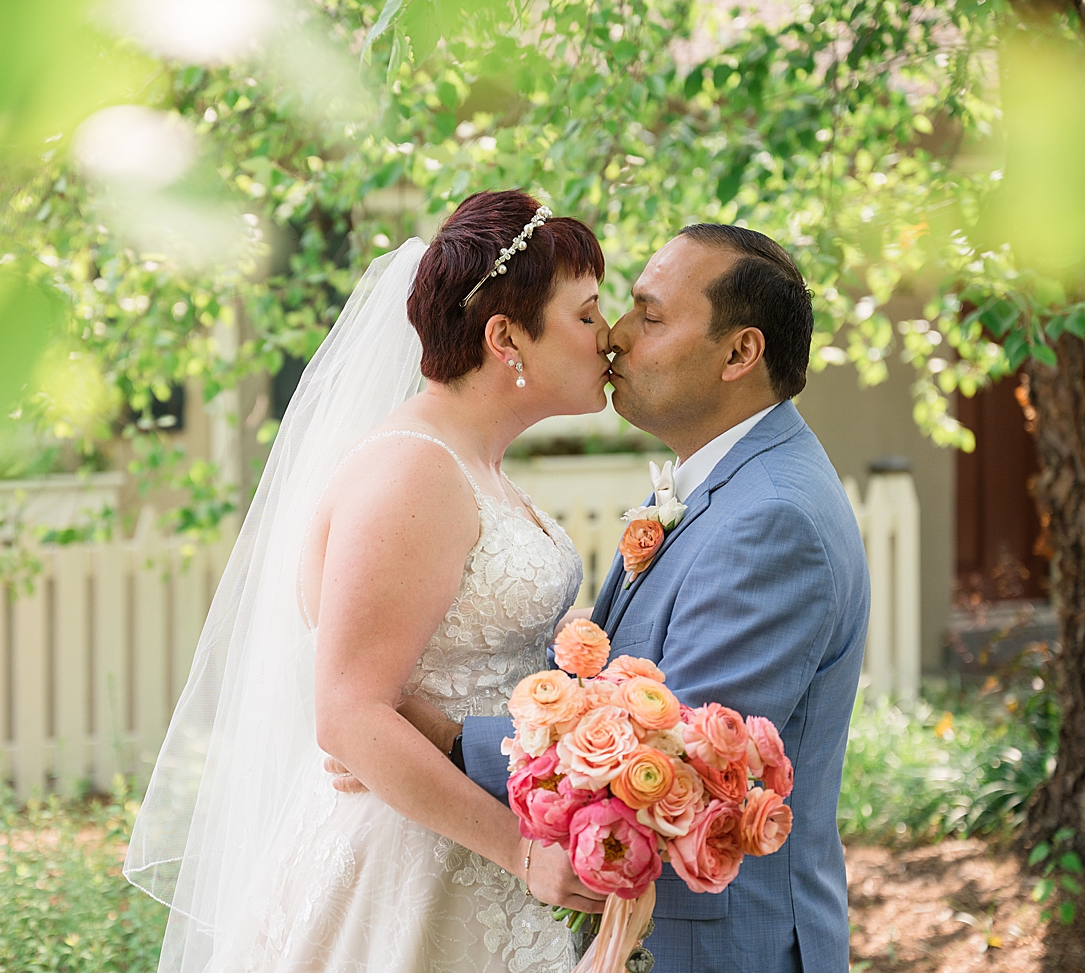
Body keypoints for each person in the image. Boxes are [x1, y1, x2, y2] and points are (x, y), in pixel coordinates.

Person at [334, 225, 869, 973]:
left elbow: (667, 758)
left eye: (648, 316)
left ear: (739, 354)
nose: (615, 336)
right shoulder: (723, 485)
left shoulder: (772, 518)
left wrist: (443, 734)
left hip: (714, 946)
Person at [127, 189, 620, 972]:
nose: (609, 336)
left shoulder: (477, 466)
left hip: (475, 851)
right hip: (408, 865)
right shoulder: (412, 472)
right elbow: (350, 716)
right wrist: (524, 853)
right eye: (588, 314)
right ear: (506, 337)